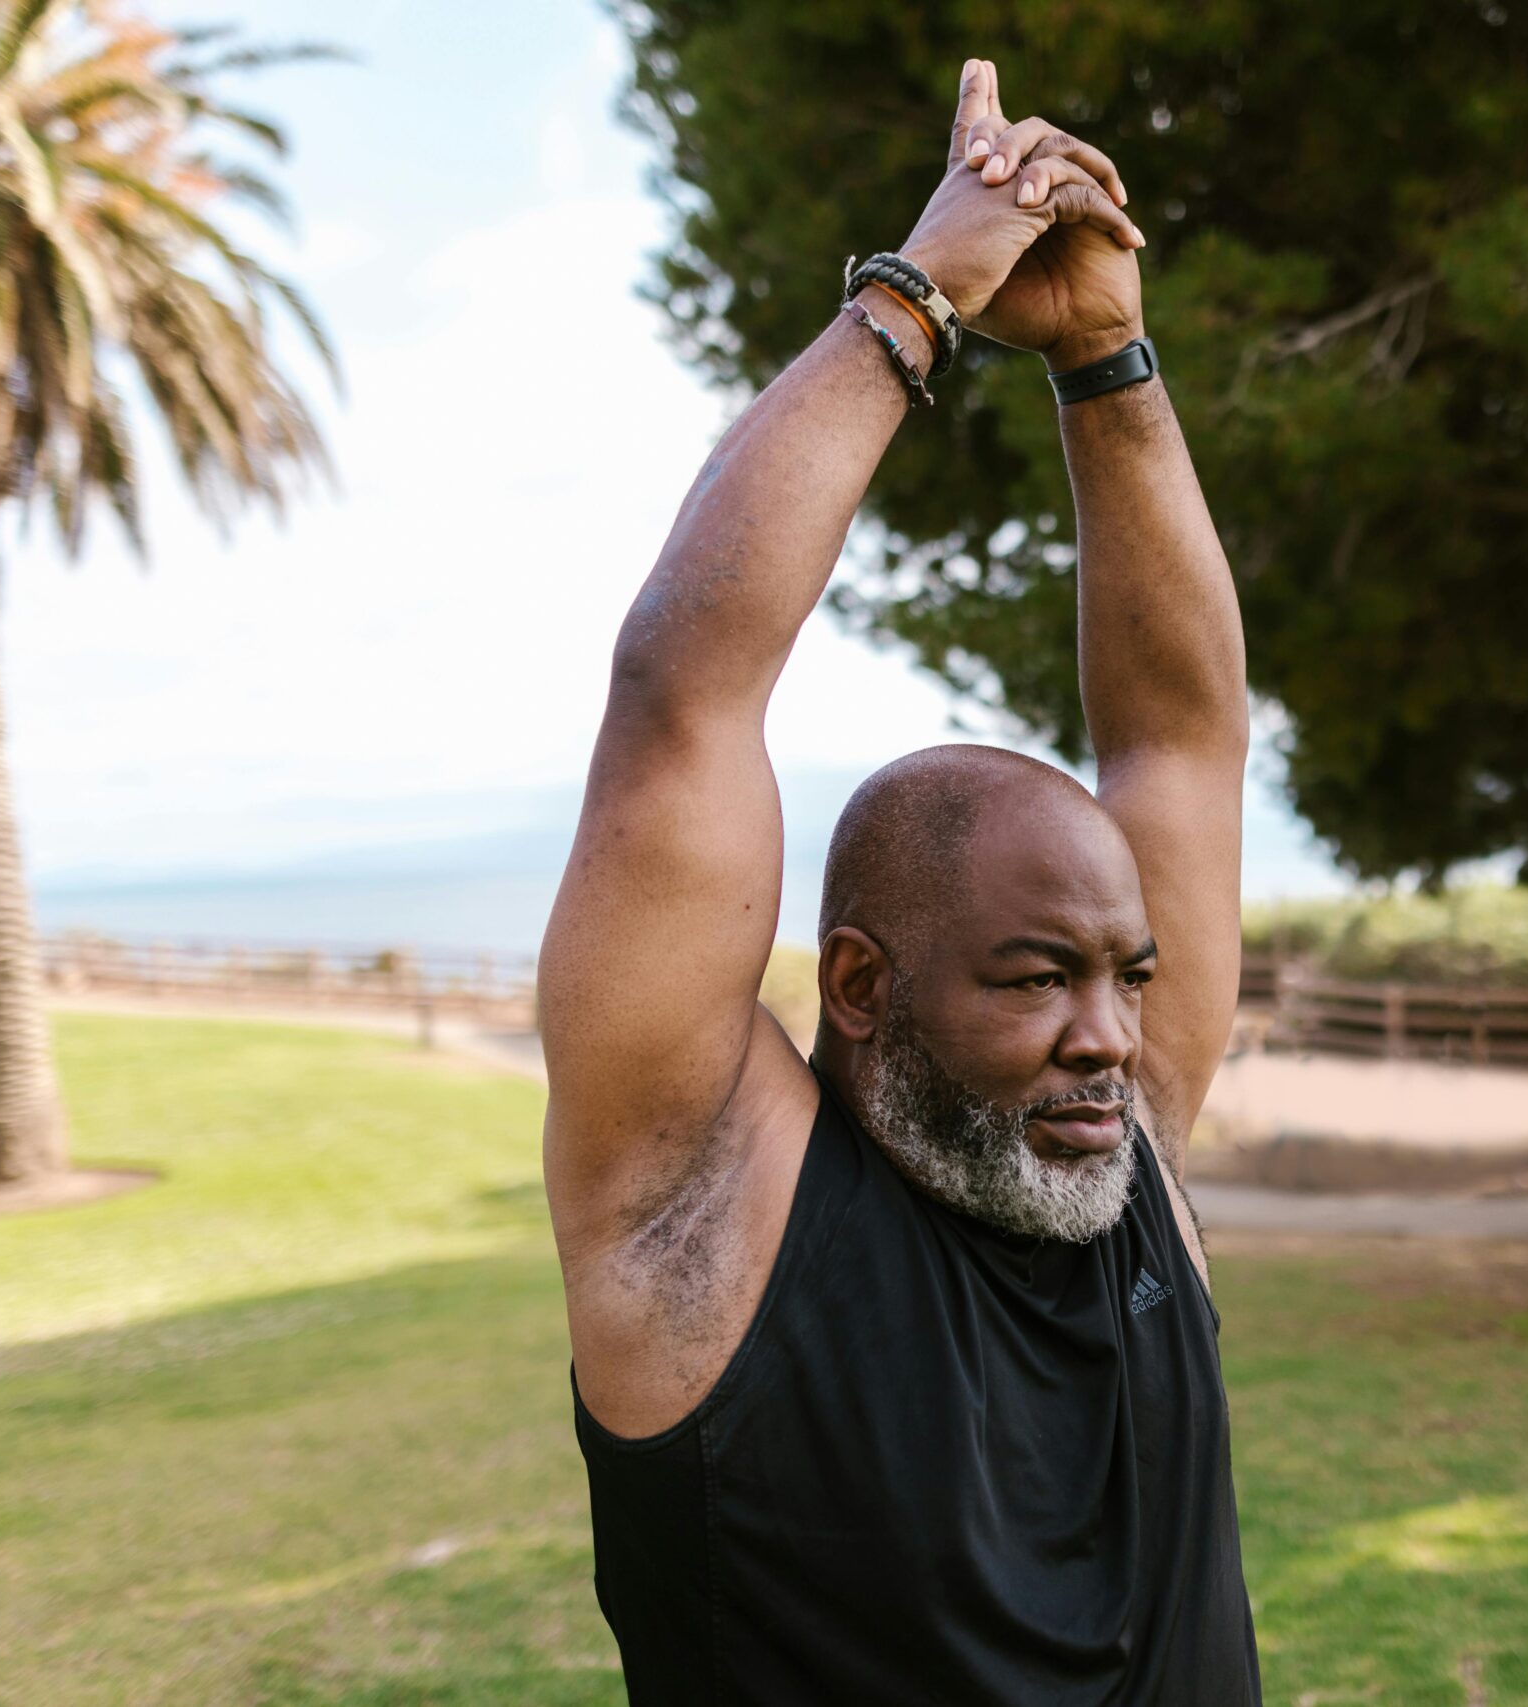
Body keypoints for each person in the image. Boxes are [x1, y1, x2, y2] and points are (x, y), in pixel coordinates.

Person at [538, 57, 1261, 1706]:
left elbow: (1182, 741)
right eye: (1032, 976)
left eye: (1125, 973)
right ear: (858, 986)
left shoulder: (1122, 1131)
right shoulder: (699, 1221)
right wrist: (918, 295)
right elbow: (683, 698)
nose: (1110, 1033)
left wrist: (1106, 359)